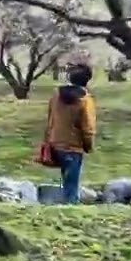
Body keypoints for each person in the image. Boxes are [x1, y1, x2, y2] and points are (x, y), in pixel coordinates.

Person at [44, 64, 97, 204]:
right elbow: (88, 128)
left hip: (56, 143)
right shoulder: (85, 100)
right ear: (87, 80)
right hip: (73, 147)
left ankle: (63, 203)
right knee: (72, 185)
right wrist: (88, 145)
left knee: (66, 179)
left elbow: (50, 117)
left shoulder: (56, 94)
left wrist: (49, 138)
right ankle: (70, 207)